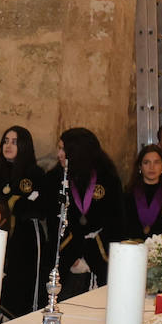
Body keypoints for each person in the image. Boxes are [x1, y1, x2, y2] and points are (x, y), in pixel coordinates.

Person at [49, 127, 123, 298]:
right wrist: (73, 256)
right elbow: (55, 222)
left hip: (99, 258)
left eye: (63, 149)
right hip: (67, 260)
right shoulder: (55, 179)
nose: (59, 154)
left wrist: (91, 256)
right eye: (59, 148)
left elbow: (116, 222)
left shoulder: (108, 178)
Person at [0, 126, 46, 315]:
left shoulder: (35, 174)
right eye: (6, 141)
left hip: (24, 241)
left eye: (14, 142)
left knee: (21, 286)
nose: (8, 145)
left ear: (24, 146)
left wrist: (19, 206)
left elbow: (40, 208)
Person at [122, 143, 162, 240]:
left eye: (156, 162)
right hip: (133, 250)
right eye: (146, 162)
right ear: (140, 167)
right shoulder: (128, 195)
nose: (151, 167)